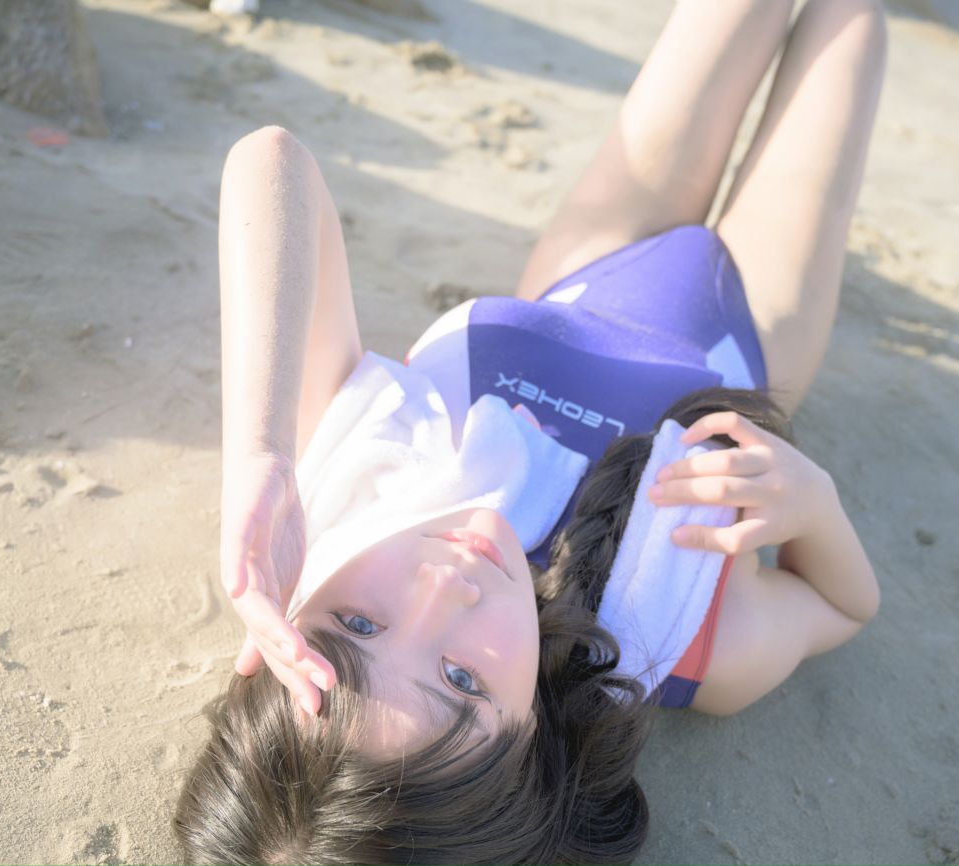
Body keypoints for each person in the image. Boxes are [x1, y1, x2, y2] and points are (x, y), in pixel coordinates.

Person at [174, 0, 887, 861]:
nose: (444, 585)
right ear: (529, 761)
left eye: (358, 626)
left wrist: (259, 450)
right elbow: (841, 606)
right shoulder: (673, 636)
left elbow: (272, 161)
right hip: (747, 318)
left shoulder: (339, 501)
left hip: (583, 264)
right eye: (461, 680)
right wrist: (815, 505)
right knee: (850, 27)